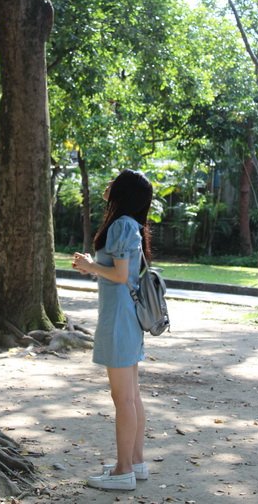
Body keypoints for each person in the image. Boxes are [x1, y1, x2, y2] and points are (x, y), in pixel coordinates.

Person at [72, 169, 153, 492]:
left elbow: (120, 276)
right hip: (128, 318)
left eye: (113, 181)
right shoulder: (132, 225)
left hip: (118, 319)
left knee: (123, 398)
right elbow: (122, 273)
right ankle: (136, 462)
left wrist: (89, 265)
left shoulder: (120, 225)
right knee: (131, 396)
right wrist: (94, 266)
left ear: (123, 191)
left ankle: (123, 471)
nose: (108, 184)